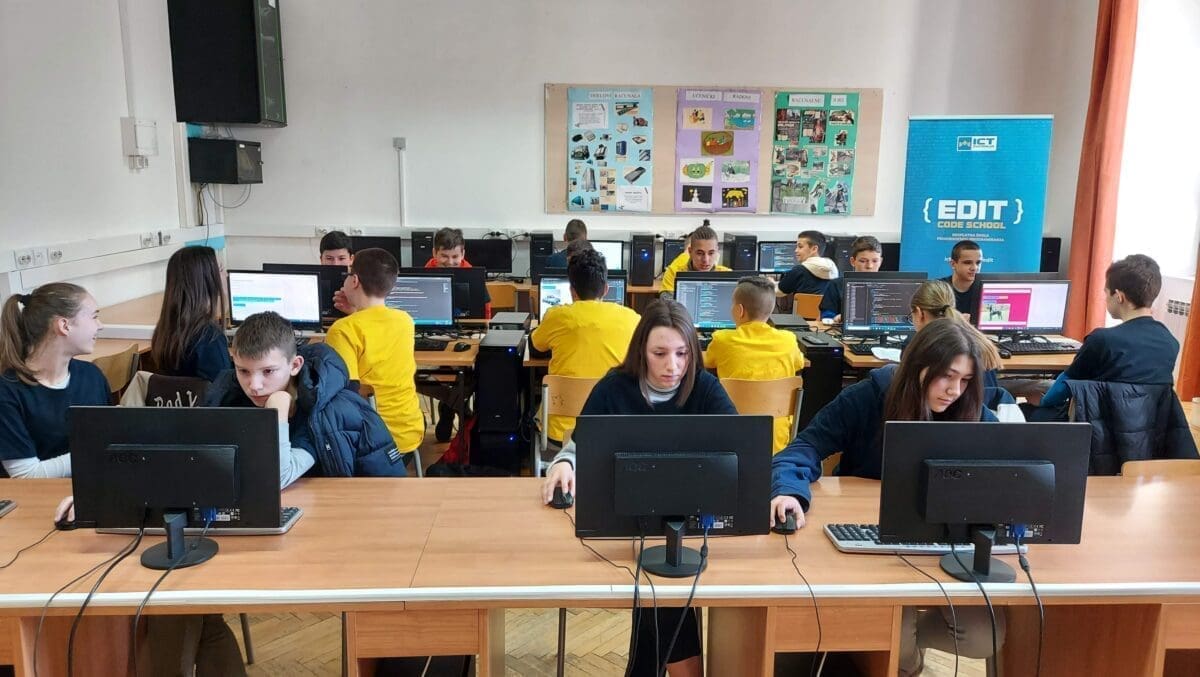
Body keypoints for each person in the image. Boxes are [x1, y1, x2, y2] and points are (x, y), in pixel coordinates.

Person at [770, 319, 1004, 675]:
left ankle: (890, 640)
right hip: (872, 539)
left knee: (983, 635)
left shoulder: (971, 411)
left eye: (966, 380)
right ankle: (897, 653)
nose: (954, 390)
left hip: (944, 542)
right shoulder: (869, 396)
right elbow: (805, 446)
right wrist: (788, 490)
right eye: (946, 376)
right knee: (897, 640)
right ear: (918, 367)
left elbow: (1005, 465)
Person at [542, 299, 735, 677]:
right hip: (625, 523)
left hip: (689, 523)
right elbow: (579, 445)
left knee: (662, 591)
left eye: (682, 354)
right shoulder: (614, 387)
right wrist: (564, 463)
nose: (672, 366)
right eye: (659, 353)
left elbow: (738, 447)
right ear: (641, 351)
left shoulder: (705, 387)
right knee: (664, 591)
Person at [205, 310, 404, 480]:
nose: (254, 386)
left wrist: (277, 414)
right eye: (243, 371)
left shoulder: (321, 407)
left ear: (295, 365)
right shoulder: (228, 397)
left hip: (349, 505)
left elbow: (277, 478)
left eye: (268, 371)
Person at [1029, 254, 1178, 421]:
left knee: (1023, 411)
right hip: (1145, 428)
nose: (1105, 299)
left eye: (1106, 293)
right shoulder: (1170, 342)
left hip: (1096, 427)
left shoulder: (1101, 340)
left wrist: (1042, 401)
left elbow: (1064, 387)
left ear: (1119, 297)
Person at [325, 247, 426, 472]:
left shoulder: (342, 330)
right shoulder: (405, 320)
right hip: (409, 434)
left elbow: (347, 392)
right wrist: (355, 312)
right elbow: (374, 328)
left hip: (373, 443)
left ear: (354, 281)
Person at [530, 248, 640, 446]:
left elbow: (535, 348)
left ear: (572, 290)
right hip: (614, 428)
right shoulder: (632, 319)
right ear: (606, 289)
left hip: (561, 434)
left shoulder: (557, 316)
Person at [0, 283, 108, 478]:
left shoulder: (92, 376)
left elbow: (108, 441)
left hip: (90, 489)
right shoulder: (7, 391)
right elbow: (26, 475)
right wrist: (95, 453)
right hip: (37, 495)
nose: (100, 325)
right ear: (64, 326)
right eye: (94, 317)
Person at [703, 276, 805, 452]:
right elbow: (800, 363)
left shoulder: (722, 340)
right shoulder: (788, 340)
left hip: (731, 440)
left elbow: (705, 361)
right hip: (776, 443)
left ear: (739, 310)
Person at [425, 227, 490, 441]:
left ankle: (448, 408)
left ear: (463, 253)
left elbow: (485, 313)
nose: (450, 262)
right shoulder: (426, 272)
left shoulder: (472, 274)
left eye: (455, 256)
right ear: (434, 253)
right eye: (444, 256)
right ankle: (460, 408)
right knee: (422, 373)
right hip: (433, 333)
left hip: (465, 335)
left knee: (470, 374)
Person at [150, 246, 231, 381]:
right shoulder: (210, 338)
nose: (226, 275)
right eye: (221, 270)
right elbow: (225, 388)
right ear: (206, 280)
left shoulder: (165, 330)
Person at [819, 235, 882, 322]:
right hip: (843, 328)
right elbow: (826, 313)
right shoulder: (836, 285)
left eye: (875, 261)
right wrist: (835, 318)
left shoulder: (890, 286)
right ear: (853, 261)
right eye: (863, 261)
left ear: (880, 261)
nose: (870, 266)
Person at [660, 223, 731, 295]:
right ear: (690, 251)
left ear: (717, 251)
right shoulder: (673, 273)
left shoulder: (728, 275)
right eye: (700, 253)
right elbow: (666, 300)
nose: (706, 260)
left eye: (711, 253)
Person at [777, 230, 838, 296]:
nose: (796, 250)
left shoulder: (799, 270)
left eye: (800, 247)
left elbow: (779, 293)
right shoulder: (834, 270)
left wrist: (771, 284)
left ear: (814, 249)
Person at [940, 240, 983, 322]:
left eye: (978, 263)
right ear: (953, 264)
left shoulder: (986, 290)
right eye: (967, 263)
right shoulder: (938, 288)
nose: (974, 268)